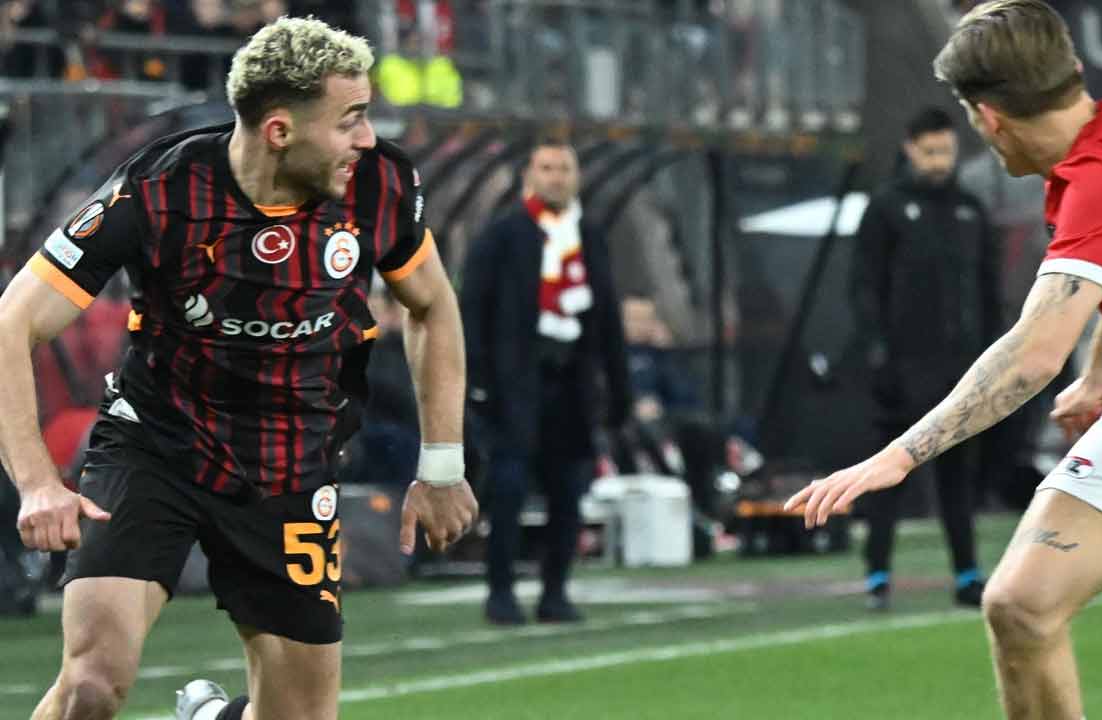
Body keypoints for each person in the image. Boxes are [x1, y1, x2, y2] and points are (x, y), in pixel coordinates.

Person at [787, 1, 1102, 717]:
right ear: (1070, 71)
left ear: (986, 118)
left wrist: (897, 456)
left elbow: (1033, 355)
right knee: (1021, 605)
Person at [0, 16, 478, 720]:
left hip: (292, 466)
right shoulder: (159, 190)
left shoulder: (379, 183)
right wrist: (38, 483)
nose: (366, 138)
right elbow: (12, 322)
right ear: (280, 130)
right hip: (156, 448)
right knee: (90, 687)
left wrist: (440, 466)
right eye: (349, 119)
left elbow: (433, 306)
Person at [462, 136, 631, 626]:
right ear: (529, 177)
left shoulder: (590, 235)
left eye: (564, 169)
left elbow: (608, 317)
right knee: (509, 489)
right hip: (516, 382)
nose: (556, 178)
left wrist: (618, 387)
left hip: (572, 383)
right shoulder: (503, 235)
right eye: (547, 168)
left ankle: (555, 591)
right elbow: (473, 310)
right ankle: (500, 592)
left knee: (568, 492)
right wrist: (479, 381)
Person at [853, 105, 1000, 610]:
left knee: (959, 476)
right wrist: (878, 355)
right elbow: (864, 288)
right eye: (930, 151)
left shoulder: (970, 211)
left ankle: (967, 575)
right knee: (887, 474)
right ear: (910, 149)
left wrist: (993, 355)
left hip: (961, 371)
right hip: (904, 369)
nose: (939, 161)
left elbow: (987, 291)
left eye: (946, 151)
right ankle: (877, 575)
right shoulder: (886, 209)